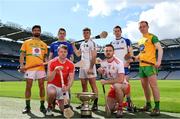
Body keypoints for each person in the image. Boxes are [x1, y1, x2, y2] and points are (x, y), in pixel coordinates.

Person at [136, 21, 163, 116]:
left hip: (150, 65)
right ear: (139, 29)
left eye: (144, 26)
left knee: (153, 86)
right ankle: (148, 105)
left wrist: (159, 61)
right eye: (140, 27)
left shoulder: (152, 37)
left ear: (148, 27)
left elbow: (160, 48)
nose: (142, 28)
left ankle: (157, 108)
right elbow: (141, 52)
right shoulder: (140, 40)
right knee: (145, 87)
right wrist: (136, 57)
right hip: (141, 66)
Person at [19, 25, 48, 113]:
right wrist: (21, 65)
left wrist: (47, 63)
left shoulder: (44, 44)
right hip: (29, 68)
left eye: (38, 30)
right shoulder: (26, 42)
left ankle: (42, 106)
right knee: (28, 87)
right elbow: (22, 55)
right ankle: (27, 106)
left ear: (40, 32)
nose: (36, 32)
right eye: (35, 30)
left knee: (42, 87)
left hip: (41, 69)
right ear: (32, 32)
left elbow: (45, 58)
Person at [98, 44, 130, 118]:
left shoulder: (119, 62)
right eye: (106, 51)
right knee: (108, 109)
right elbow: (105, 76)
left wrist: (105, 82)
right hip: (113, 87)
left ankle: (120, 108)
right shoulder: (103, 63)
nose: (108, 52)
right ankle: (125, 104)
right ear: (104, 52)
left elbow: (121, 79)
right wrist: (101, 72)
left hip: (124, 86)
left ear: (113, 52)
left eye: (110, 51)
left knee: (117, 85)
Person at [72, 27, 98, 110]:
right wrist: (73, 46)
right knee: (83, 85)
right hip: (82, 66)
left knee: (93, 85)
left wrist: (90, 67)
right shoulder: (82, 44)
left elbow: (94, 56)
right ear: (82, 34)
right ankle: (84, 103)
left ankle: (95, 104)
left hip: (90, 66)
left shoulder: (92, 43)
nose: (85, 34)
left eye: (87, 32)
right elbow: (78, 54)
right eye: (84, 33)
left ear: (90, 34)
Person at [46, 45, 75, 115]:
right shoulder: (52, 62)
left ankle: (57, 102)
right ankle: (50, 106)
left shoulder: (71, 64)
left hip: (63, 87)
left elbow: (71, 79)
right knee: (51, 93)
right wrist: (55, 70)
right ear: (58, 52)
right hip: (52, 85)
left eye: (65, 52)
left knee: (64, 110)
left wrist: (67, 88)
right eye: (61, 51)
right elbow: (49, 78)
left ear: (67, 53)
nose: (63, 53)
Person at [110, 25, 133, 111]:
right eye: (115, 31)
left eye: (118, 31)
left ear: (121, 31)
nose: (117, 32)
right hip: (116, 68)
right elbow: (111, 55)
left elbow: (131, 52)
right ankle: (119, 103)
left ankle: (129, 101)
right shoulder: (112, 42)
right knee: (116, 86)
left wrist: (128, 61)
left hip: (125, 66)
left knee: (126, 84)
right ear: (113, 32)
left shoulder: (126, 40)